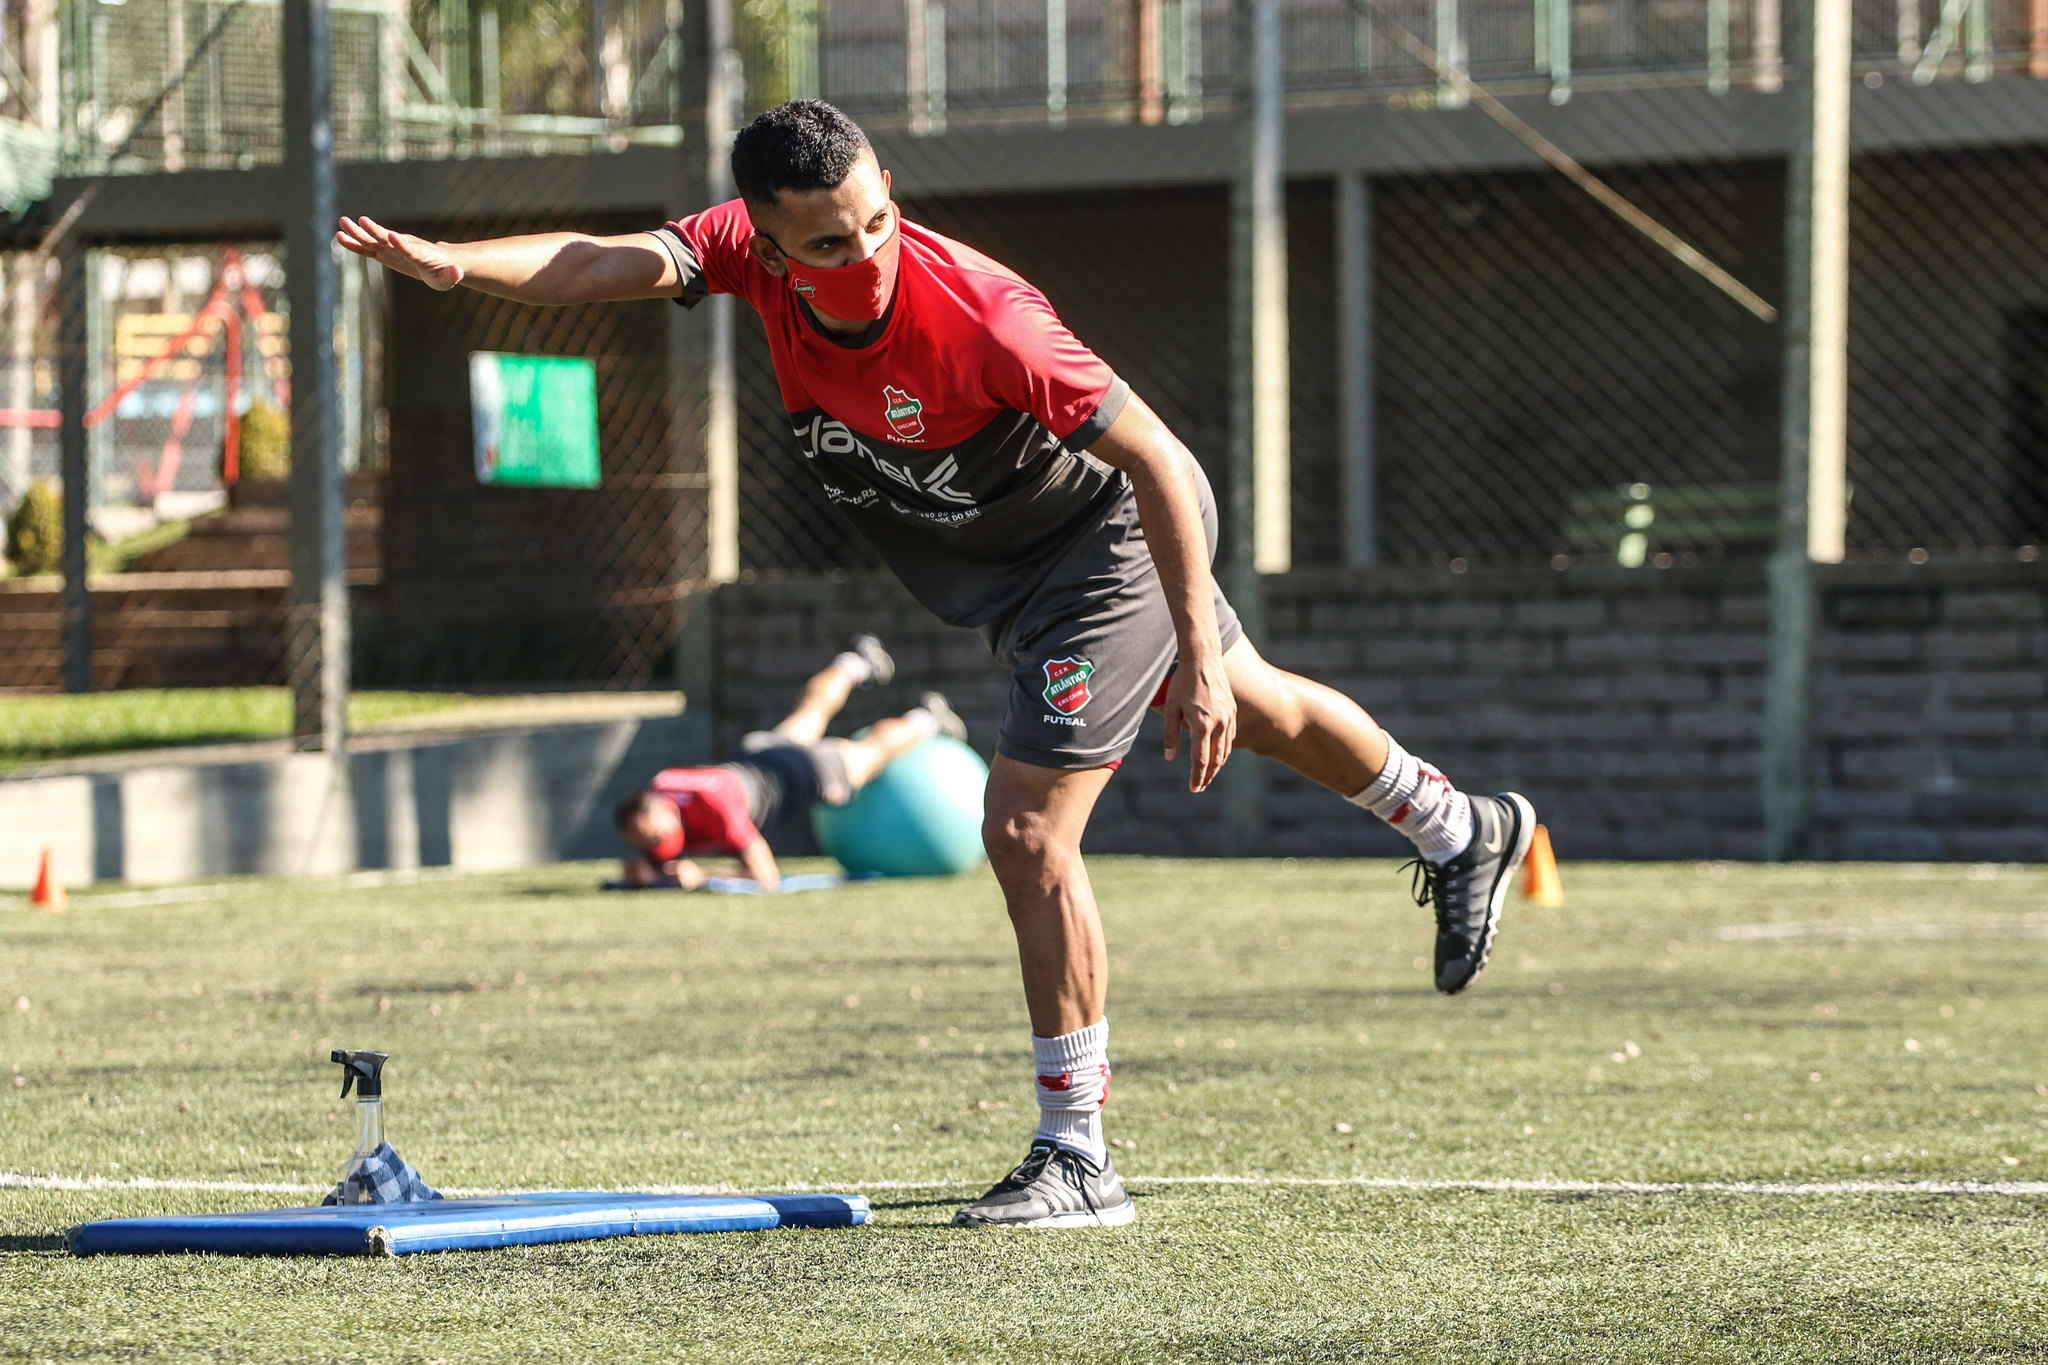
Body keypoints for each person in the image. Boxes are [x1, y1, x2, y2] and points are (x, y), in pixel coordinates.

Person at [337, 100, 1535, 1230]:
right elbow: (603, 263)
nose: (863, 253)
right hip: (1015, 573)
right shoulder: (743, 256)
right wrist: (455, 268)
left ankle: (1078, 1157)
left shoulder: (979, 313)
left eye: (875, 220)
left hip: (1101, 543)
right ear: (764, 239)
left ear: (887, 193)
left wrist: (1196, 666)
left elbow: (1163, 464)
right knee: (1267, 707)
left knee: (1023, 831)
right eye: (826, 241)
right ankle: (1456, 822)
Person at [615, 634, 967, 892]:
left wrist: (702, 876)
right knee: (808, 717)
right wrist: (651, 870)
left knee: (867, 757)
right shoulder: (661, 787)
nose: (652, 846)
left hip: (798, 771)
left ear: (665, 815)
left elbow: (766, 877)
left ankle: (927, 720)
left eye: (654, 837)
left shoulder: (715, 810)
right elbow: (659, 845)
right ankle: (856, 662)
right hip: (756, 753)